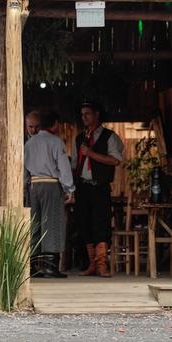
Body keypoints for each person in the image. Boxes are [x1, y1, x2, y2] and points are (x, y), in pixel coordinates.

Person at [70, 101, 124, 277]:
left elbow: (116, 160)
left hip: (100, 186)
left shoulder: (110, 136)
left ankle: (102, 265)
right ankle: (92, 264)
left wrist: (91, 153)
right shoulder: (79, 138)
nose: (84, 117)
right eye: (82, 114)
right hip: (82, 186)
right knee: (84, 224)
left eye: (87, 113)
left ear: (97, 114)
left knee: (101, 223)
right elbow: (73, 164)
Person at [24, 111, 74, 278]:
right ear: (54, 124)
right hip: (51, 184)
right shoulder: (55, 142)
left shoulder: (29, 143)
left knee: (35, 224)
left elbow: (24, 168)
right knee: (52, 222)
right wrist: (69, 189)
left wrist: (25, 187)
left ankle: (33, 266)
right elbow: (64, 167)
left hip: (33, 185)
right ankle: (50, 267)